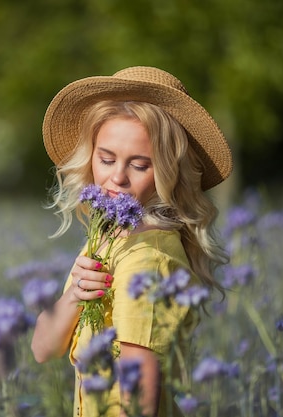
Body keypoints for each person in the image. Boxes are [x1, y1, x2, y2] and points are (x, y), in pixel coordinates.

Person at [30, 66, 233, 417]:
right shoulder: (107, 239)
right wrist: (75, 295)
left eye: (139, 165)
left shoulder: (148, 259)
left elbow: (138, 399)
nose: (117, 177)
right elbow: (42, 349)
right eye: (106, 159)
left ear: (168, 173)